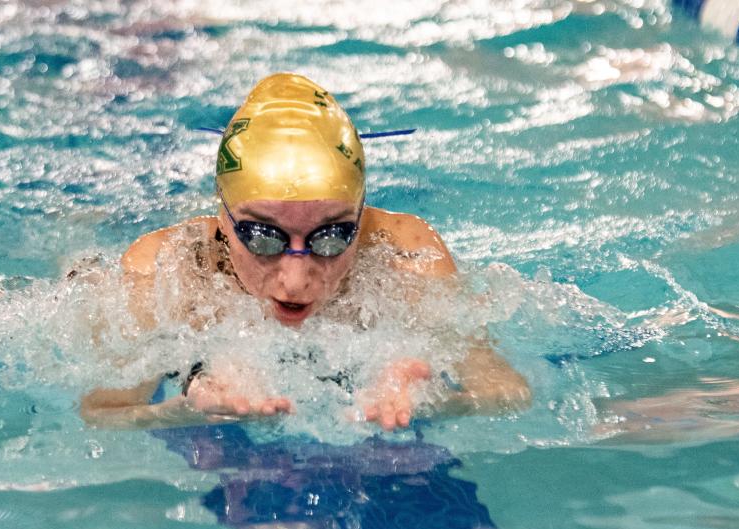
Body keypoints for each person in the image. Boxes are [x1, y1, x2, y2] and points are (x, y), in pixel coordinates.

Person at [80, 73, 530, 431]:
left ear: (361, 214)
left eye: (332, 236)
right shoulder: (169, 264)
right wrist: (178, 413)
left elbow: (506, 391)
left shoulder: (404, 254)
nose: (295, 281)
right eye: (261, 237)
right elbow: (101, 413)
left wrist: (430, 403)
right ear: (222, 216)